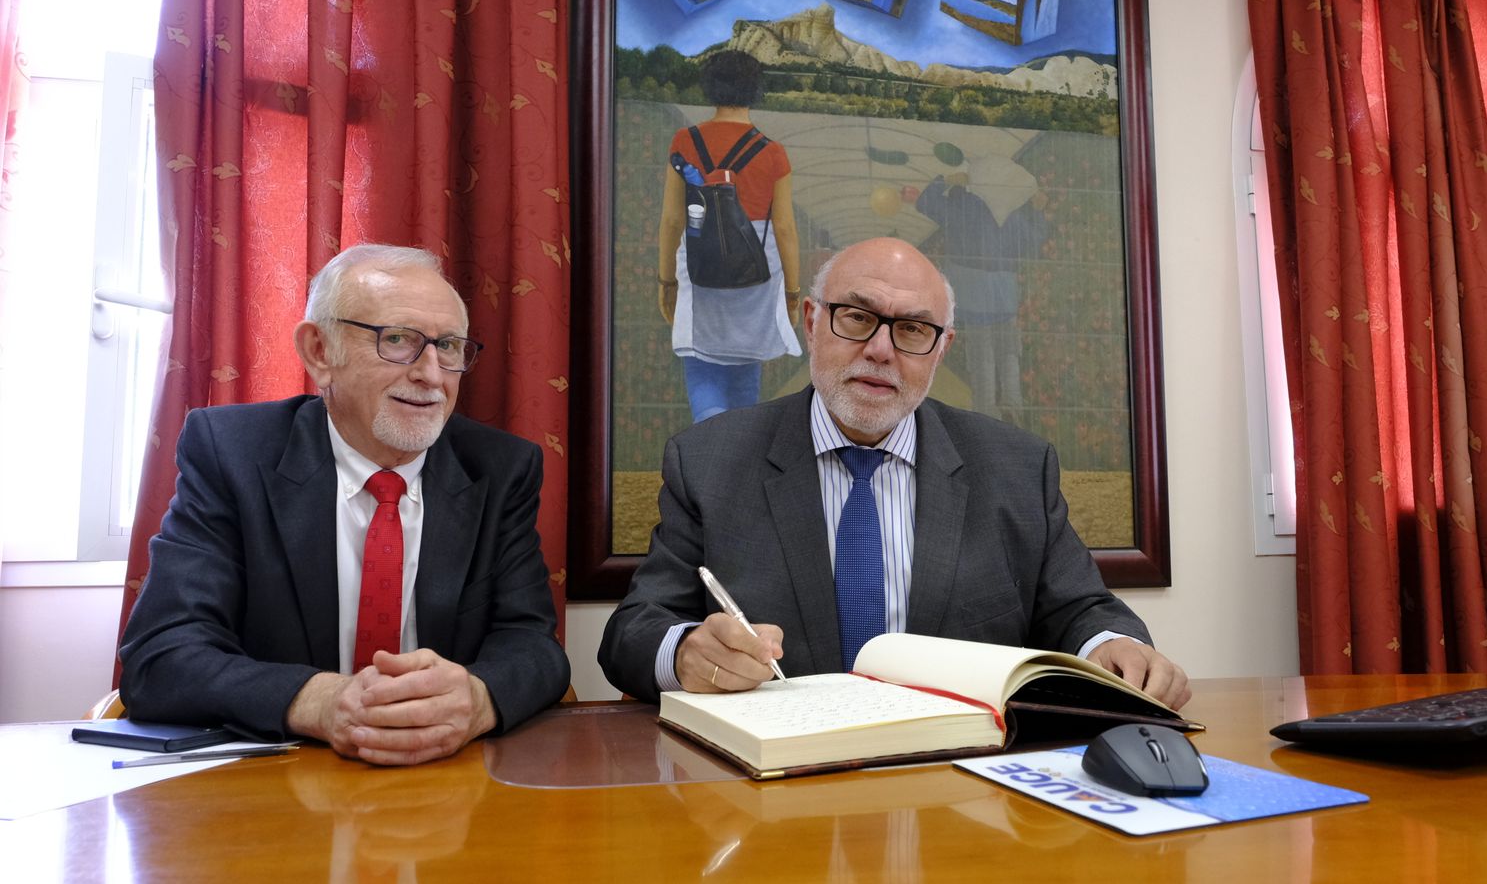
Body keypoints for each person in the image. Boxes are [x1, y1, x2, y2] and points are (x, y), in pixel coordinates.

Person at [599, 237, 1190, 710]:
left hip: (961, 786)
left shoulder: (1016, 466)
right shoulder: (709, 461)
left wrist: (1115, 645)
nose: (881, 350)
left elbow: (1079, 609)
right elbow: (633, 630)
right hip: (775, 786)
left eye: (911, 329)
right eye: (856, 317)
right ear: (811, 321)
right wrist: (684, 653)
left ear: (942, 348)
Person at [119, 244, 570, 765]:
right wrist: (321, 701)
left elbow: (534, 647)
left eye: (448, 346)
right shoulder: (232, 453)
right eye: (398, 340)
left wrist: (477, 699)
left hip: (447, 785)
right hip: (277, 790)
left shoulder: (500, 469)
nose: (431, 374)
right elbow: (162, 656)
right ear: (319, 351)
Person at [657, 49, 801, 423]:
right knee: (745, 371)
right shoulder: (773, 153)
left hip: (700, 265)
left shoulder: (684, 142)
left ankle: (708, 454)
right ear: (756, 90)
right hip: (754, 271)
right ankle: (738, 460)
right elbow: (784, 227)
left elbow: (672, 219)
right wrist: (792, 291)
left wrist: (666, 280)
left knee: (703, 367)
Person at [914, 158, 1048, 421]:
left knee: (981, 353)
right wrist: (1038, 211)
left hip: (971, 292)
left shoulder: (963, 205)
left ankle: (986, 411)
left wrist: (943, 180)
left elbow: (926, 203)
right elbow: (1034, 241)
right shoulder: (1009, 212)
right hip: (1004, 293)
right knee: (1009, 352)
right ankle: (1013, 408)